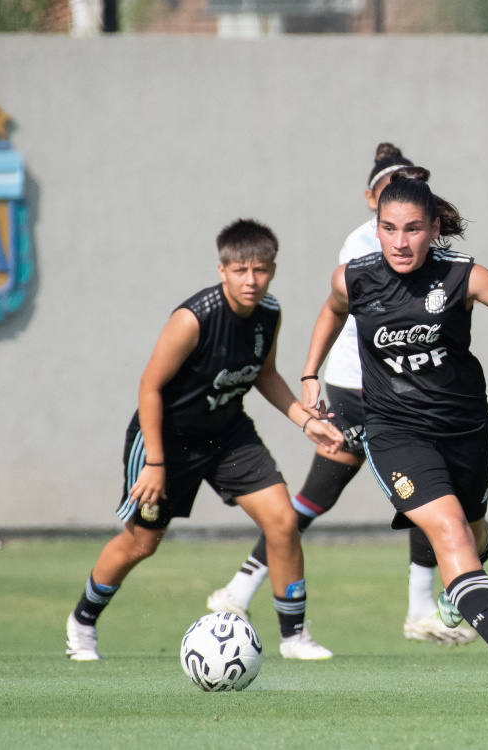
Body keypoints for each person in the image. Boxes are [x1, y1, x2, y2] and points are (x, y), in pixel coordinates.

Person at [301, 166, 488, 686]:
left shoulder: (463, 275)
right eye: (389, 228)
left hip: (464, 431)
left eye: (413, 228)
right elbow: (331, 311)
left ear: (434, 227)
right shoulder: (354, 277)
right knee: (447, 528)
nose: (400, 241)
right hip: (394, 431)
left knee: (475, 532)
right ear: (376, 228)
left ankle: (461, 591)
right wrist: (310, 374)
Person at [206, 144, 478, 648]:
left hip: (408, 389)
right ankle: (239, 588)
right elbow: (351, 308)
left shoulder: (423, 239)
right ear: (373, 197)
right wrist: (312, 377)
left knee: (425, 494)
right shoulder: (365, 243)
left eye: (413, 182)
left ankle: (419, 609)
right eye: (390, 188)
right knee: (322, 492)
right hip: (361, 387)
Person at [64, 219, 344, 662]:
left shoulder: (269, 313)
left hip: (228, 434)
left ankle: (293, 638)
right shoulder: (193, 318)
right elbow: (149, 386)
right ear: (222, 270)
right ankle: (82, 622)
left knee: (283, 521)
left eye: (261, 270)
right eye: (241, 271)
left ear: (272, 270)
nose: (251, 281)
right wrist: (155, 463)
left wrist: (305, 422)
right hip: (166, 439)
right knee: (142, 542)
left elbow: (265, 375)